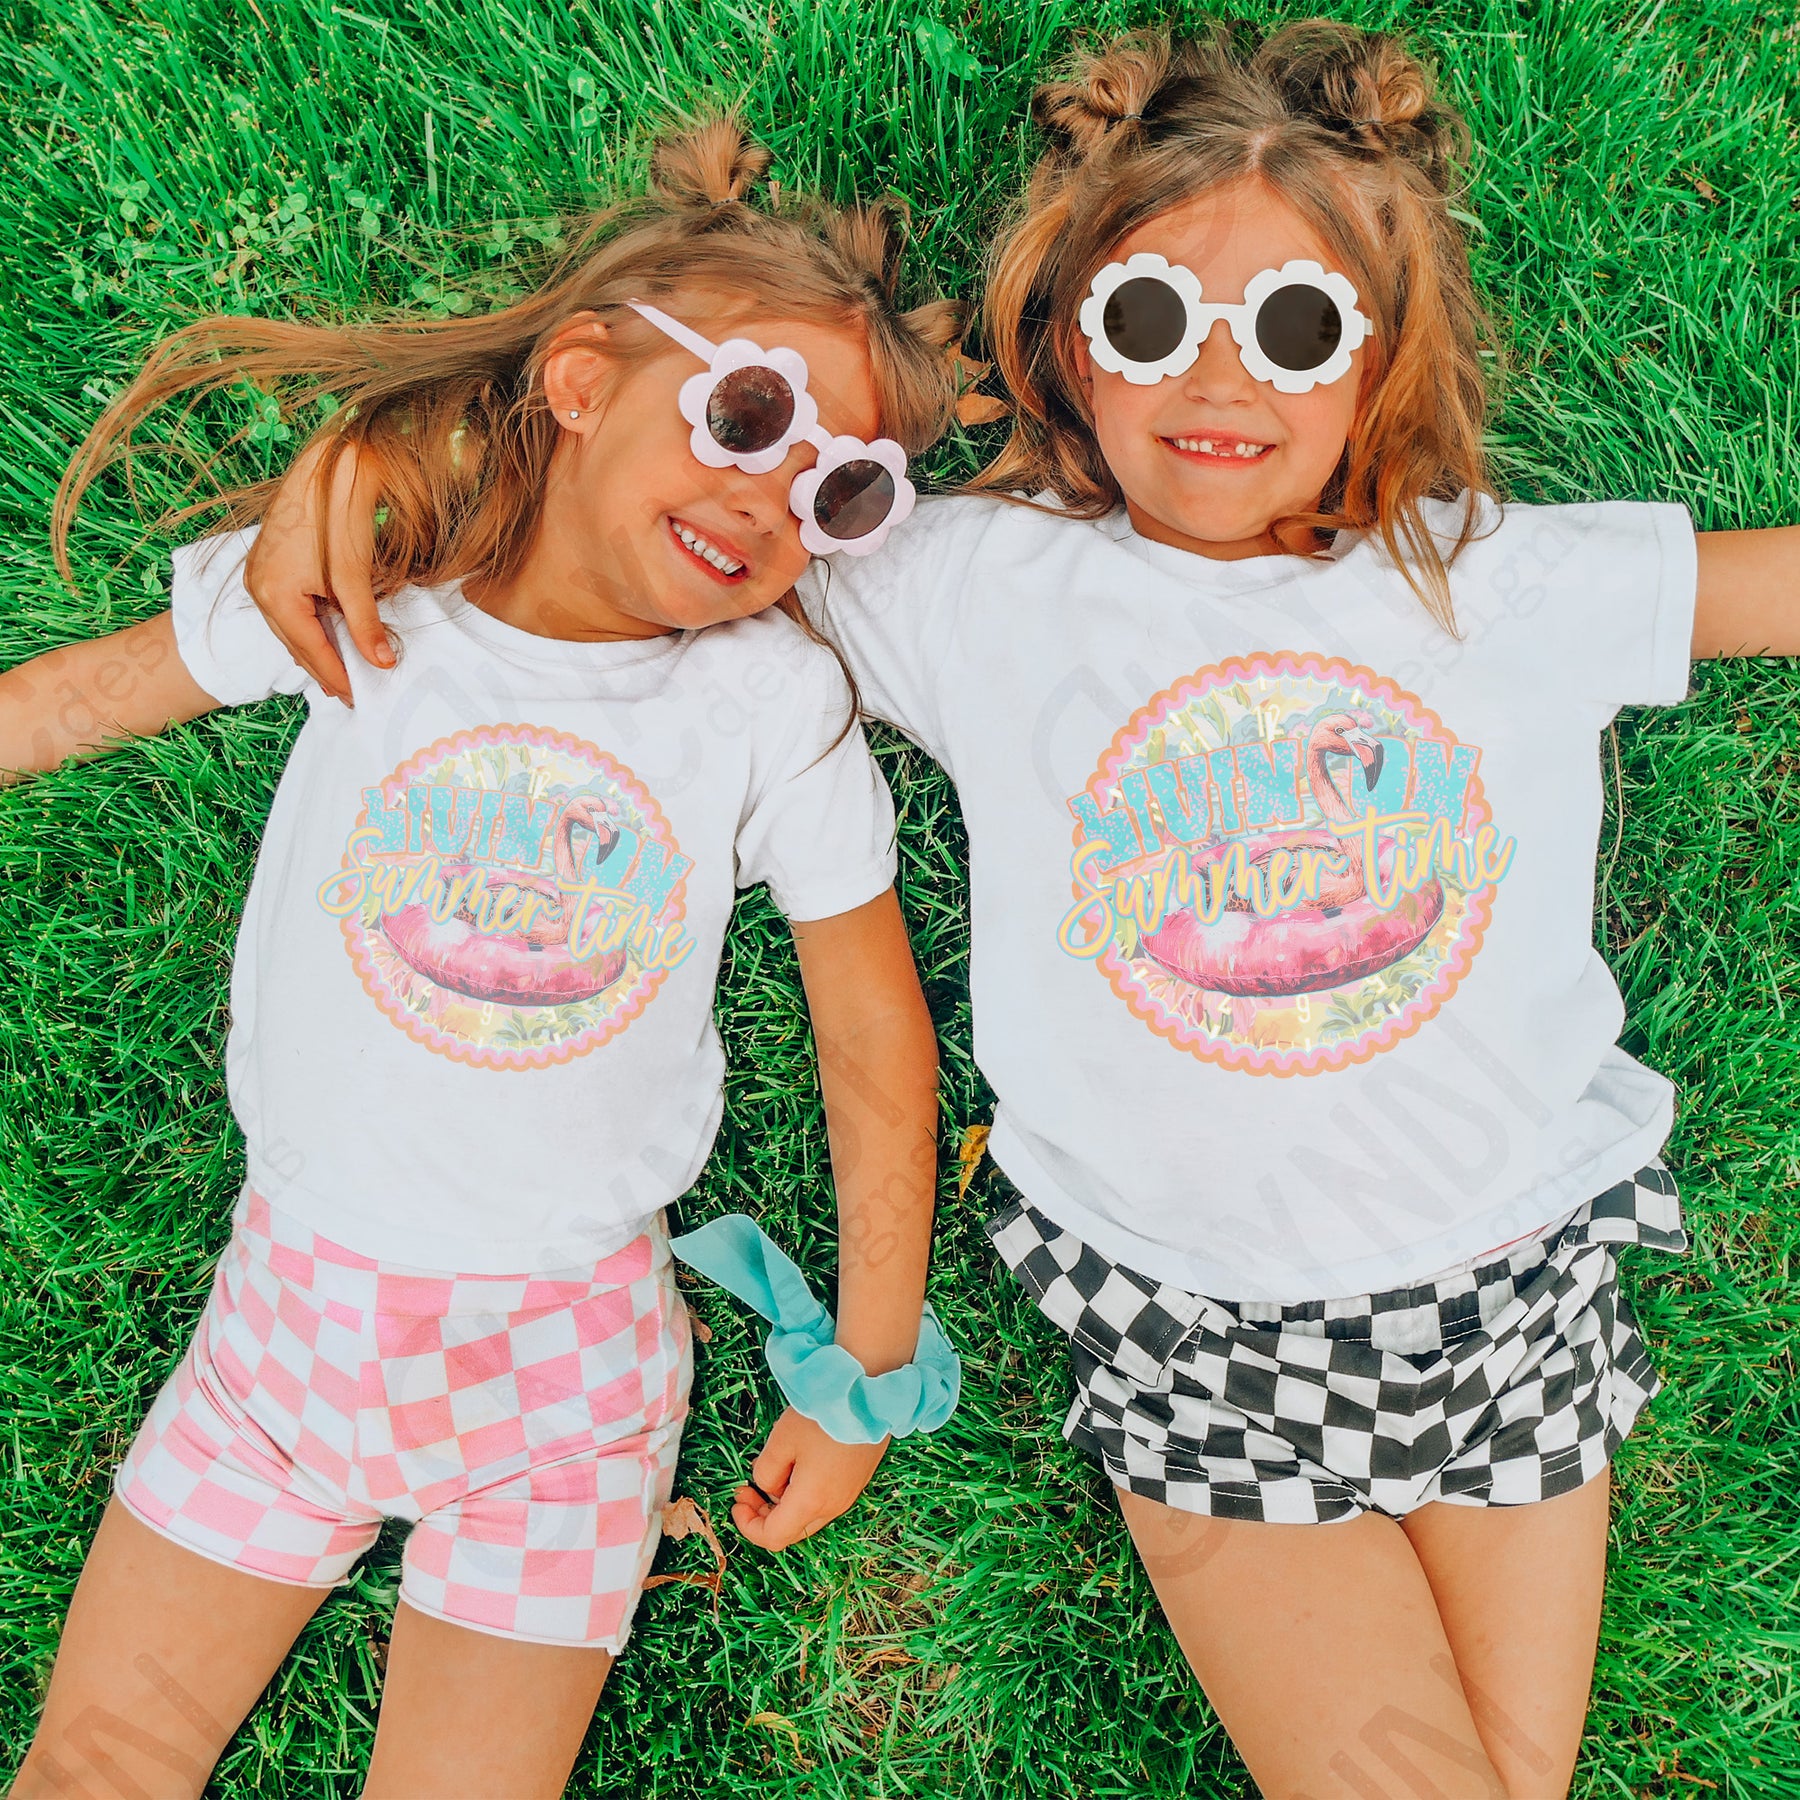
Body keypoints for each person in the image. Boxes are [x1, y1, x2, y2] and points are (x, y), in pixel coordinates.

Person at [216, 21, 1800, 1798]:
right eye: (1153, 318)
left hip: (1515, 1284)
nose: (1222, 378)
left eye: (1295, 329)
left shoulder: (1494, 578)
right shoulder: (971, 580)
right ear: (1070, 342)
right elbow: (678, 503)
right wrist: (373, 461)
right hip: (1201, 1345)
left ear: (1377, 364)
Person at [1, 118, 961, 1799]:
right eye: (747, 416)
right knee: (91, 1772)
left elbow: (873, 1045)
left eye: (839, 491)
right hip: (281, 1339)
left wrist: (865, 1368)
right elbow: (83, 696)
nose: (770, 498)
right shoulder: (373, 589)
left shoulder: (767, 702)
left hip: (563, 1392)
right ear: (583, 378)